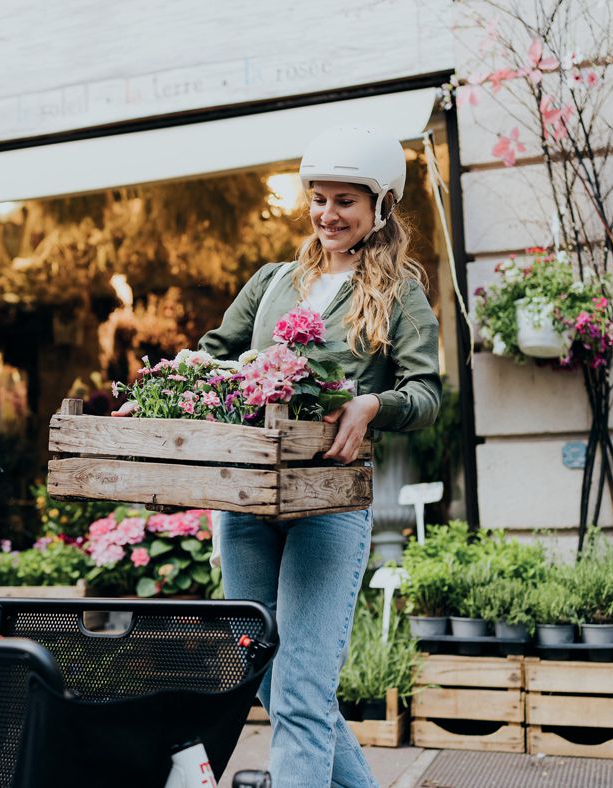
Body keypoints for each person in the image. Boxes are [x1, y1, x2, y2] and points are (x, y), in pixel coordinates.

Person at [116, 124, 441, 786]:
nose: (327, 214)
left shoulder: (399, 291)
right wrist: (162, 393)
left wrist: (371, 405)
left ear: (380, 206)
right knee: (269, 682)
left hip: (327, 504)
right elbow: (211, 354)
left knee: (299, 692)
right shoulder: (273, 279)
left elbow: (425, 393)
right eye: (318, 198)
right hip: (245, 499)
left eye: (344, 200)